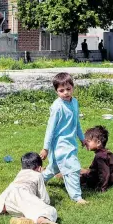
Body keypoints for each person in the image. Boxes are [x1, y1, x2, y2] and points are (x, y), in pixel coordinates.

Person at [0, 152, 69, 224]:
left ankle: (20, 220)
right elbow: (45, 199)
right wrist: (41, 203)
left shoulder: (20, 173)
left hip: (8, 201)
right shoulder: (38, 175)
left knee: (24, 208)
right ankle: (43, 221)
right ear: (40, 168)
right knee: (49, 210)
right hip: (23, 194)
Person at [40, 73, 88, 204]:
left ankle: (38, 180)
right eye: (61, 91)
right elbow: (50, 129)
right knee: (73, 168)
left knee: (54, 168)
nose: (66, 93)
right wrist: (45, 148)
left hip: (70, 142)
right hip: (60, 144)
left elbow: (76, 122)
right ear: (56, 92)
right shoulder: (57, 107)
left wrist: (82, 138)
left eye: (68, 89)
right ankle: (77, 197)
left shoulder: (75, 103)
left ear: (73, 87)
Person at [80, 126, 113, 192]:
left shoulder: (100, 156)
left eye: (88, 141)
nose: (85, 143)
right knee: (84, 172)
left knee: (79, 177)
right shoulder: (107, 153)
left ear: (98, 143)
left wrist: (101, 188)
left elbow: (105, 173)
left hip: (110, 180)